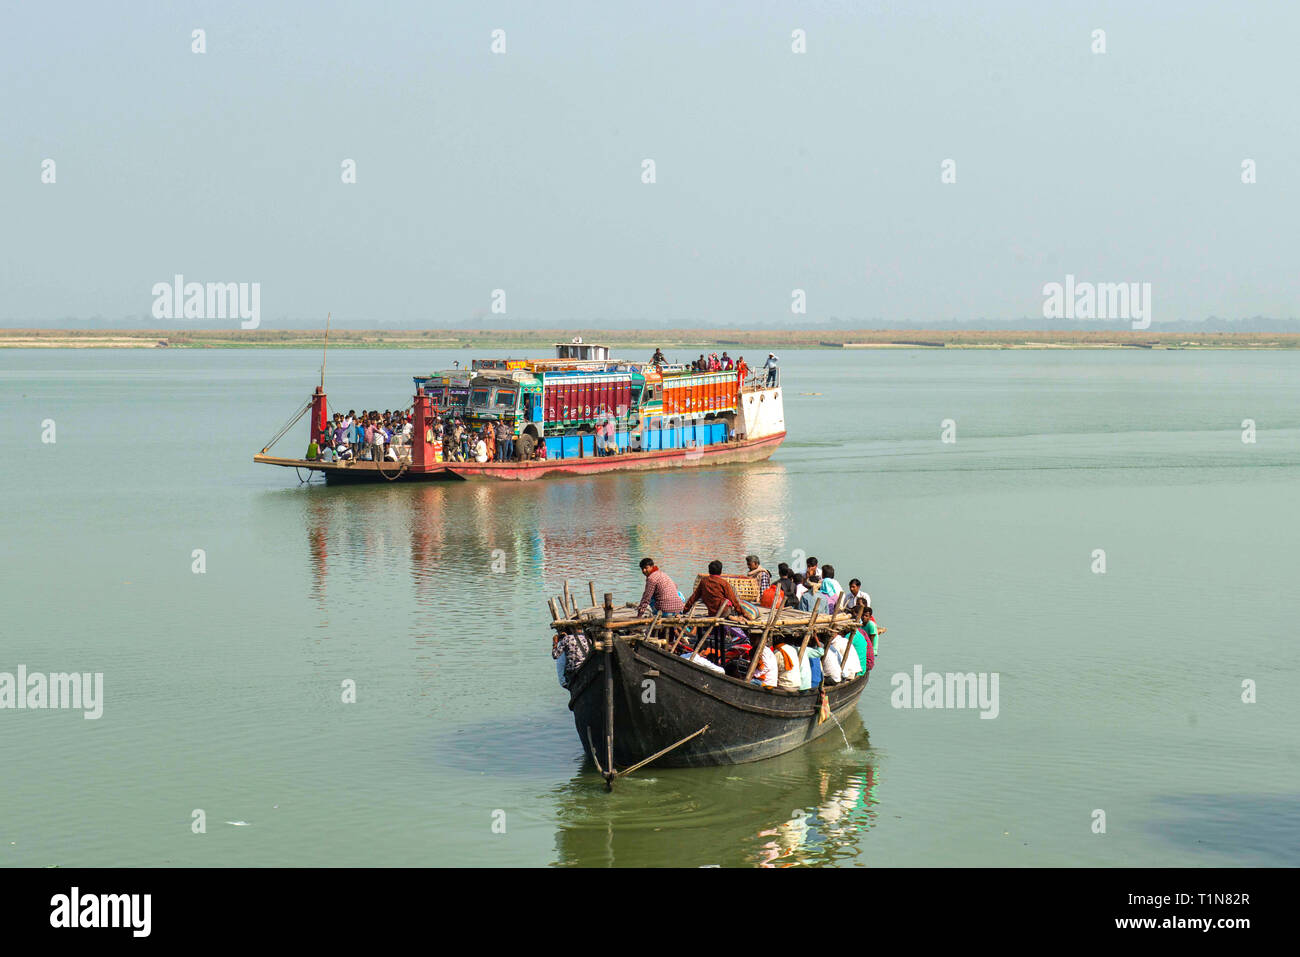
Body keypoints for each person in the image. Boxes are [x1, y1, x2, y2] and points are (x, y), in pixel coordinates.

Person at [682, 560, 755, 620]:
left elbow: (694, 597)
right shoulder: (723, 583)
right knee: (732, 602)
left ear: (709, 570)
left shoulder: (704, 582)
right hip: (724, 611)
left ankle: (730, 616)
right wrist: (742, 613)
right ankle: (730, 616)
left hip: (712, 612)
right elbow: (733, 600)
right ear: (720, 571)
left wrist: (685, 610)